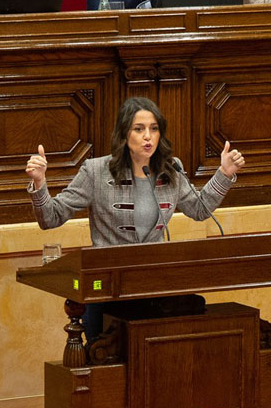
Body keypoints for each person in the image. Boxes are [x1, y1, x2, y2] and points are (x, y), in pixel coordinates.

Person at [24, 97, 245, 343]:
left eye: (154, 128)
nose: (148, 136)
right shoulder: (96, 172)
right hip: (107, 289)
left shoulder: (171, 170)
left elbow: (200, 209)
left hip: (152, 287)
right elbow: (51, 218)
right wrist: (39, 183)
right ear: (124, 134)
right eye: (139, 129)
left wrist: (224, 174)